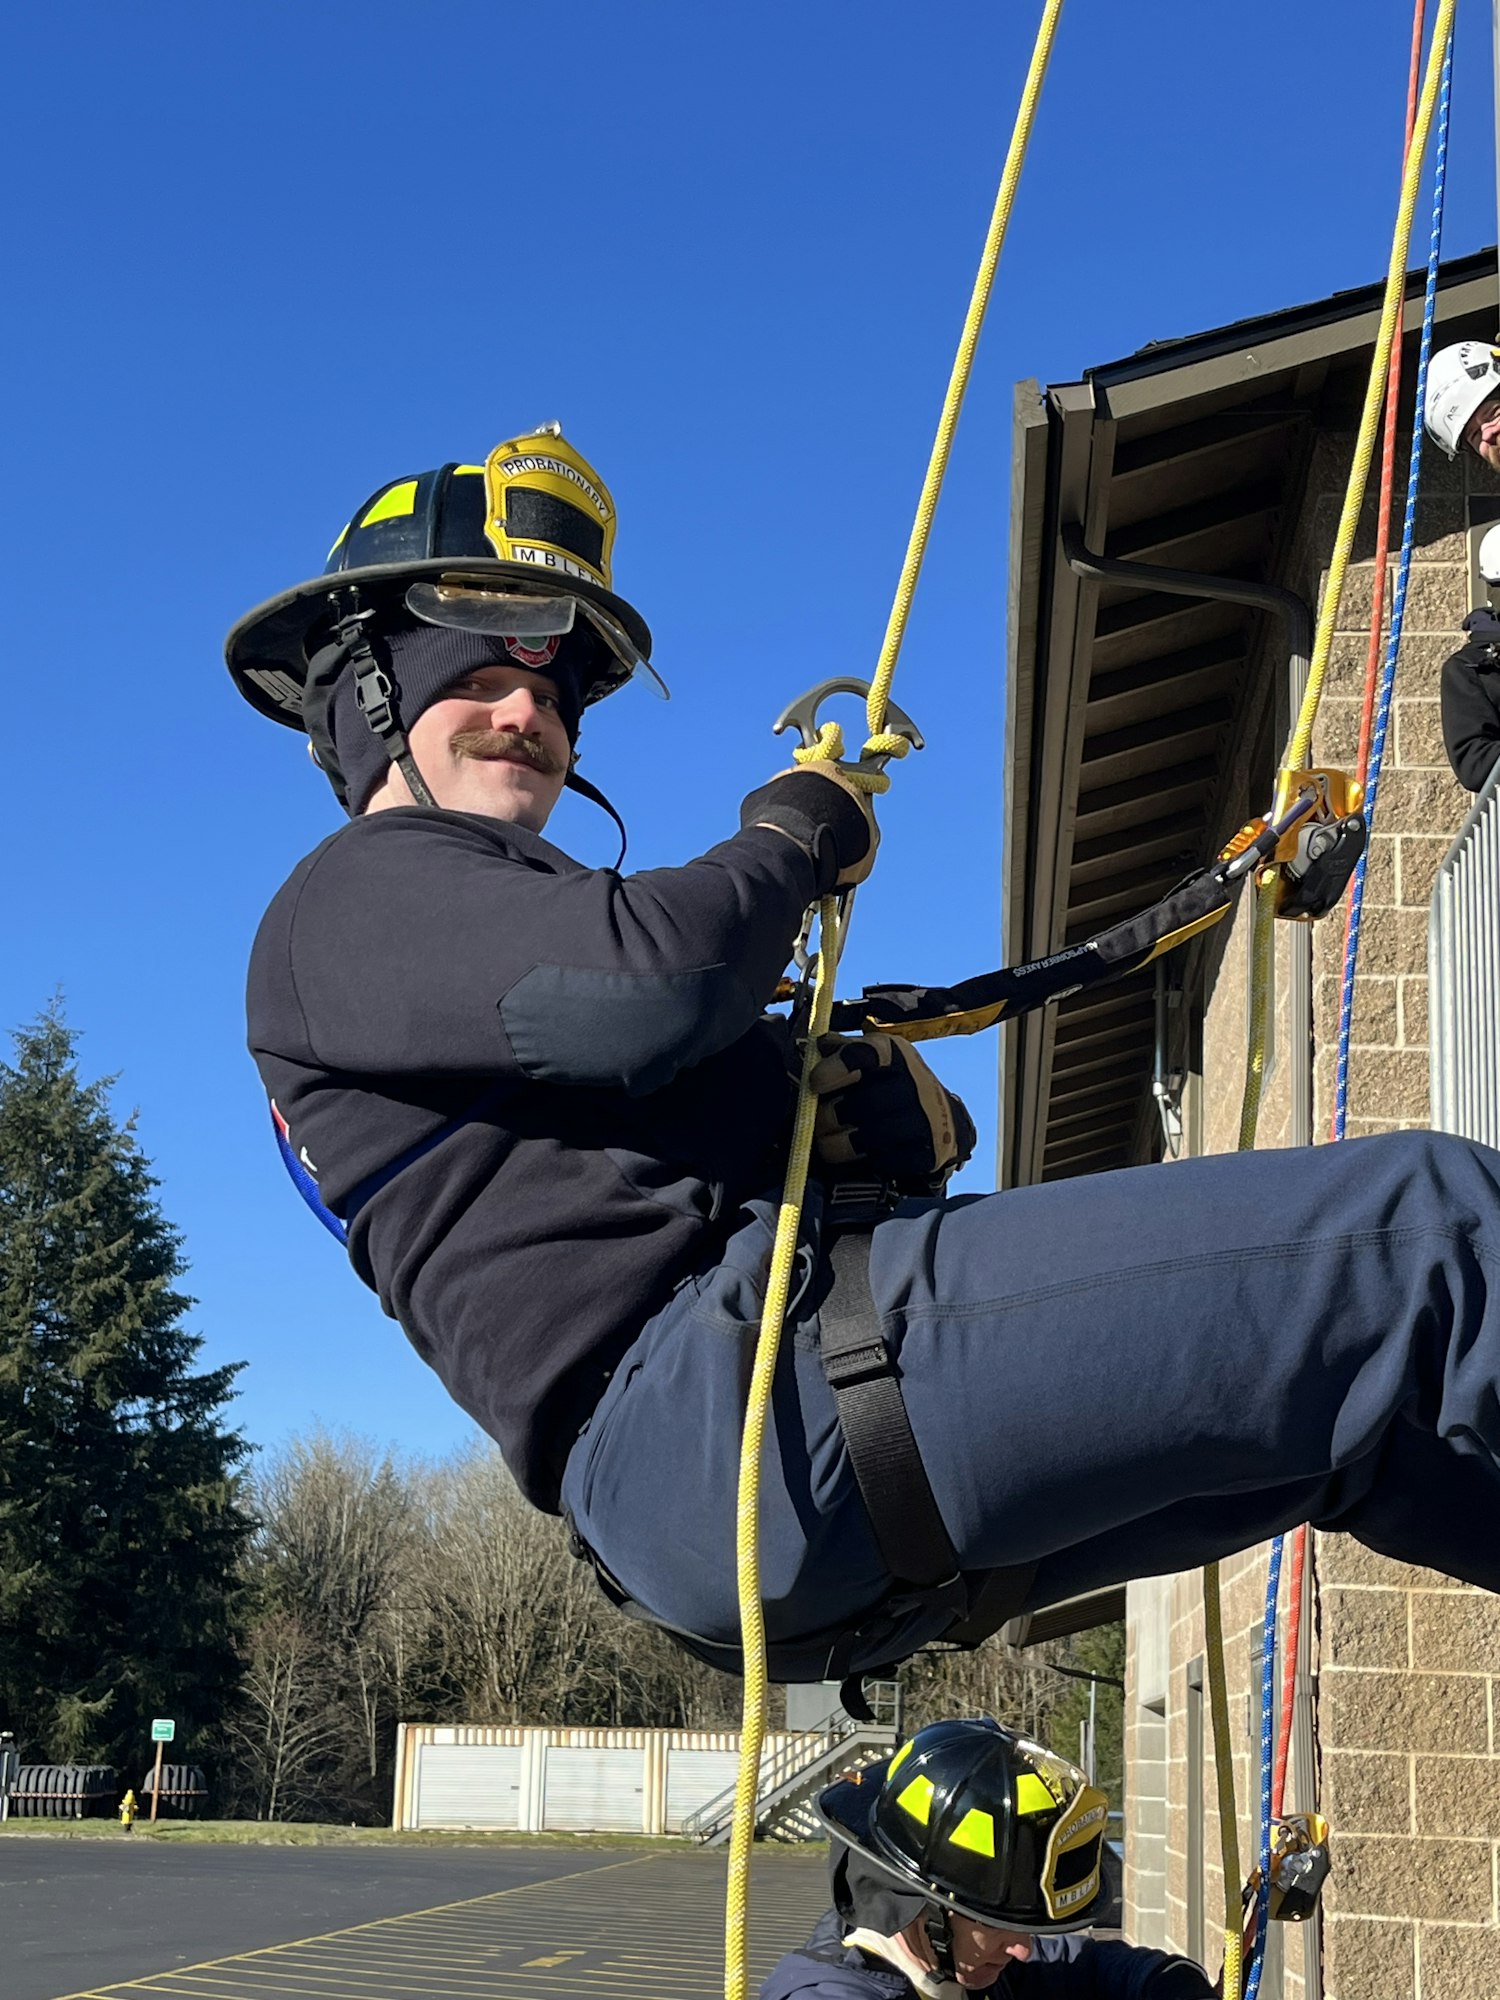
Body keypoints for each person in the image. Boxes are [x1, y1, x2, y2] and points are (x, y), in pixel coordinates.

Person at [234, 424, 1500, 1692]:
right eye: (482, 666)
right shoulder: (348, 898)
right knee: (1431, 1232)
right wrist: (793, 829)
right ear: (367, 684)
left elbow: (652, 1064)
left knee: (1371, 1435)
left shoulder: (460, 950)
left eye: (561, 687)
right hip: (732, 1412)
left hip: (758, 1449)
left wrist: (844, 1113)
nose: (532, 709)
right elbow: (659, 981)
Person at [760, 1718, 1215, 1998]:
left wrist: (1175, 1986)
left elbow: (1088, 1967)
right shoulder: (827, 1994)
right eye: (997, 1923)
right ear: (925, 1903)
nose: (1020, 1949)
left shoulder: (966, 1965)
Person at [1424, 343, 1500, 790]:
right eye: (1474, 436)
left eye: (1491, 412)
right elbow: (1477, 763)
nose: (1487, 435)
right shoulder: (1475, 669)